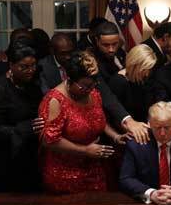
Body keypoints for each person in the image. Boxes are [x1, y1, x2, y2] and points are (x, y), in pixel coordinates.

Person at [38, 51, 129, 193]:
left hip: (94, 167)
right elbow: (50, 140)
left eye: (93, 85)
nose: (89, 90)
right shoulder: (55, 100)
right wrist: (85, 150)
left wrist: (115, 136)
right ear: (69, 79)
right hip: (64, 174)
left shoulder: (93, 93)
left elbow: (97, 119)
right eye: (84, 86)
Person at [0, 42, 44, 192]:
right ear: (11, 65)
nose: (30, 70)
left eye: (33, 65)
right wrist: (21, 129)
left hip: (27, 154)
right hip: (2, 157)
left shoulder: (32, 85)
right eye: (24, 67)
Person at [109, 44, 158, 123]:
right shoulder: (118, 82)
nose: (147, 74)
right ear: (135, 65)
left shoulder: (144, 78)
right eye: (144, 69)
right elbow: (115, 116)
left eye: (149, 69)